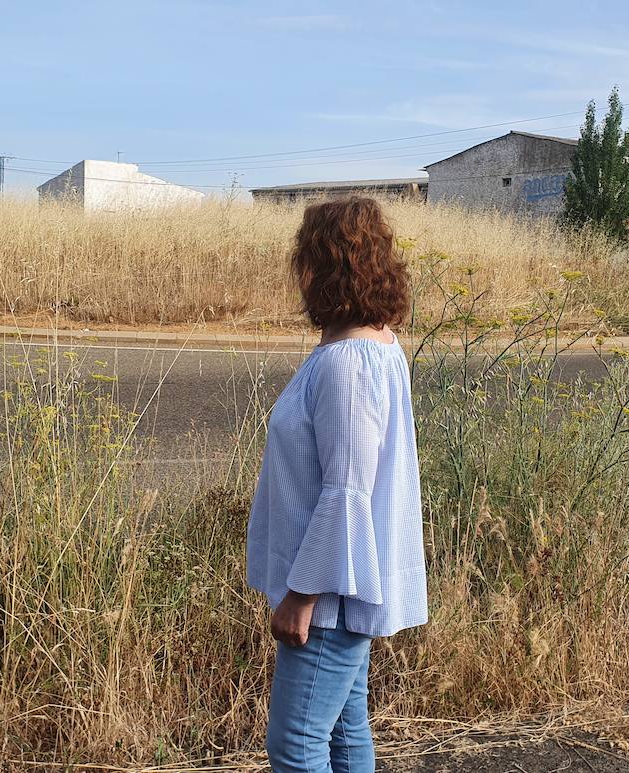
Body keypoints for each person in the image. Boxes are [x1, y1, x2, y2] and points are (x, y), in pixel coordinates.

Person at [246, 196, 428, 772]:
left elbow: (347, 492)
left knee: (296, 746)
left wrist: (302, 596)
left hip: (328, 595)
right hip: (344, 587)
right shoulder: (377, 346)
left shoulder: (347, 363)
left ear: (322, 264)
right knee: (347, 733)